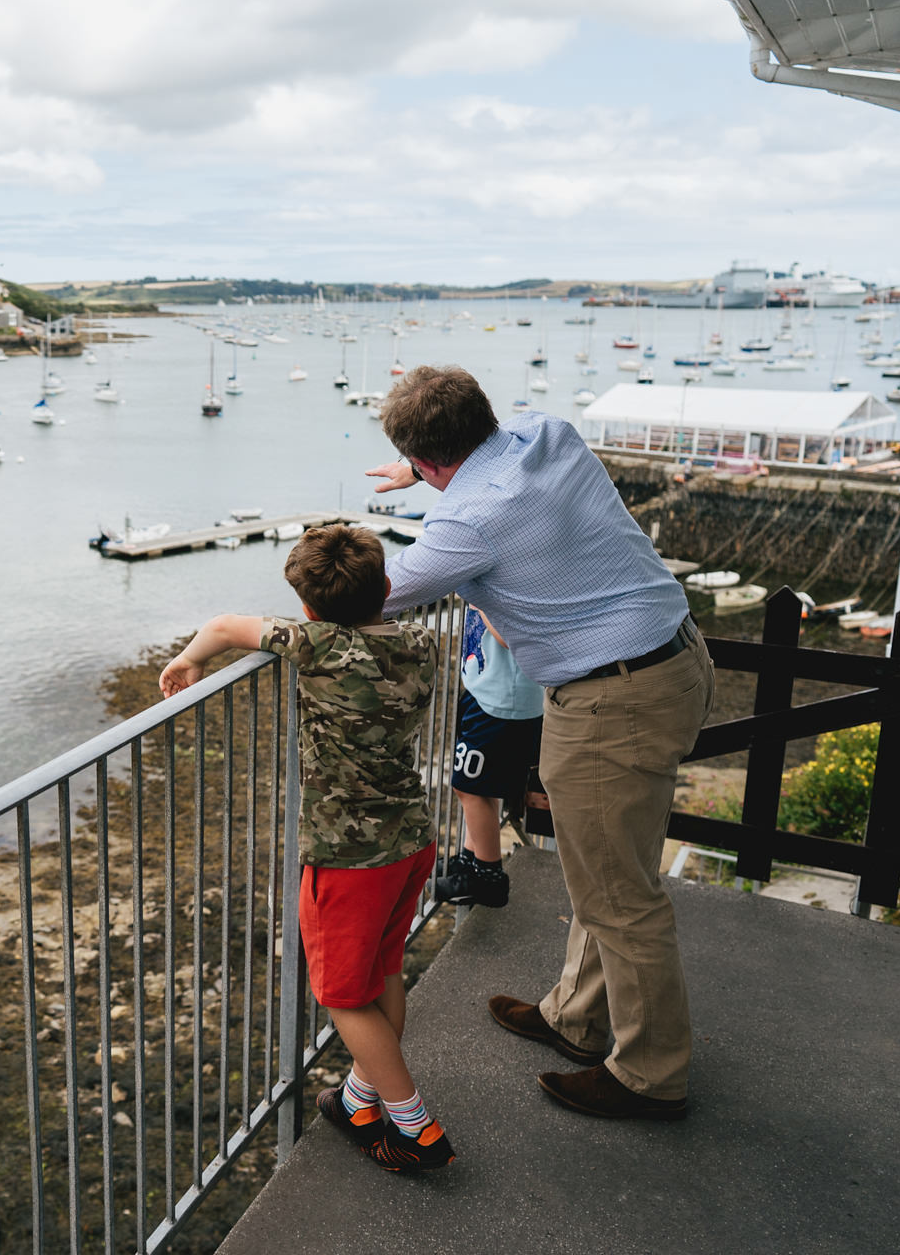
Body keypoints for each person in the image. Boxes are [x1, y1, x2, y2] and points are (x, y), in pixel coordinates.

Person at [369, 365, 713, 1122]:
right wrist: (426, 469)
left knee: (621, 897)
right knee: (605, 865)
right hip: (674, 660)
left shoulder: (465, 524)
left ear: (428, 464)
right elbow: (471, 456)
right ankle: (579, 1018)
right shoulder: (544, 431)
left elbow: (366, 596)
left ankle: (651, 1075)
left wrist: (232, 629)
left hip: (611, 701)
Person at [159, 524, 453, 1171]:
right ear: (385, 588)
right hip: (410, 837)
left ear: (307, 609)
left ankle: (415, 1128)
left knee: (345, 997)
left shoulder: (314, 644)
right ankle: (357, 1098)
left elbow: (227, 625)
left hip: (349, 858)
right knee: (383, 973)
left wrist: (189, 659)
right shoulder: (422, 641)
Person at [436, 605, 544, 908]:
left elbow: (514, 637)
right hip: (492, 694)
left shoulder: (513, 577)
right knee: (482, 785)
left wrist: (480, 599)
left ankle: (488, 876)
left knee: (469, 787)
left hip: (503, 702)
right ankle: (472, 859)